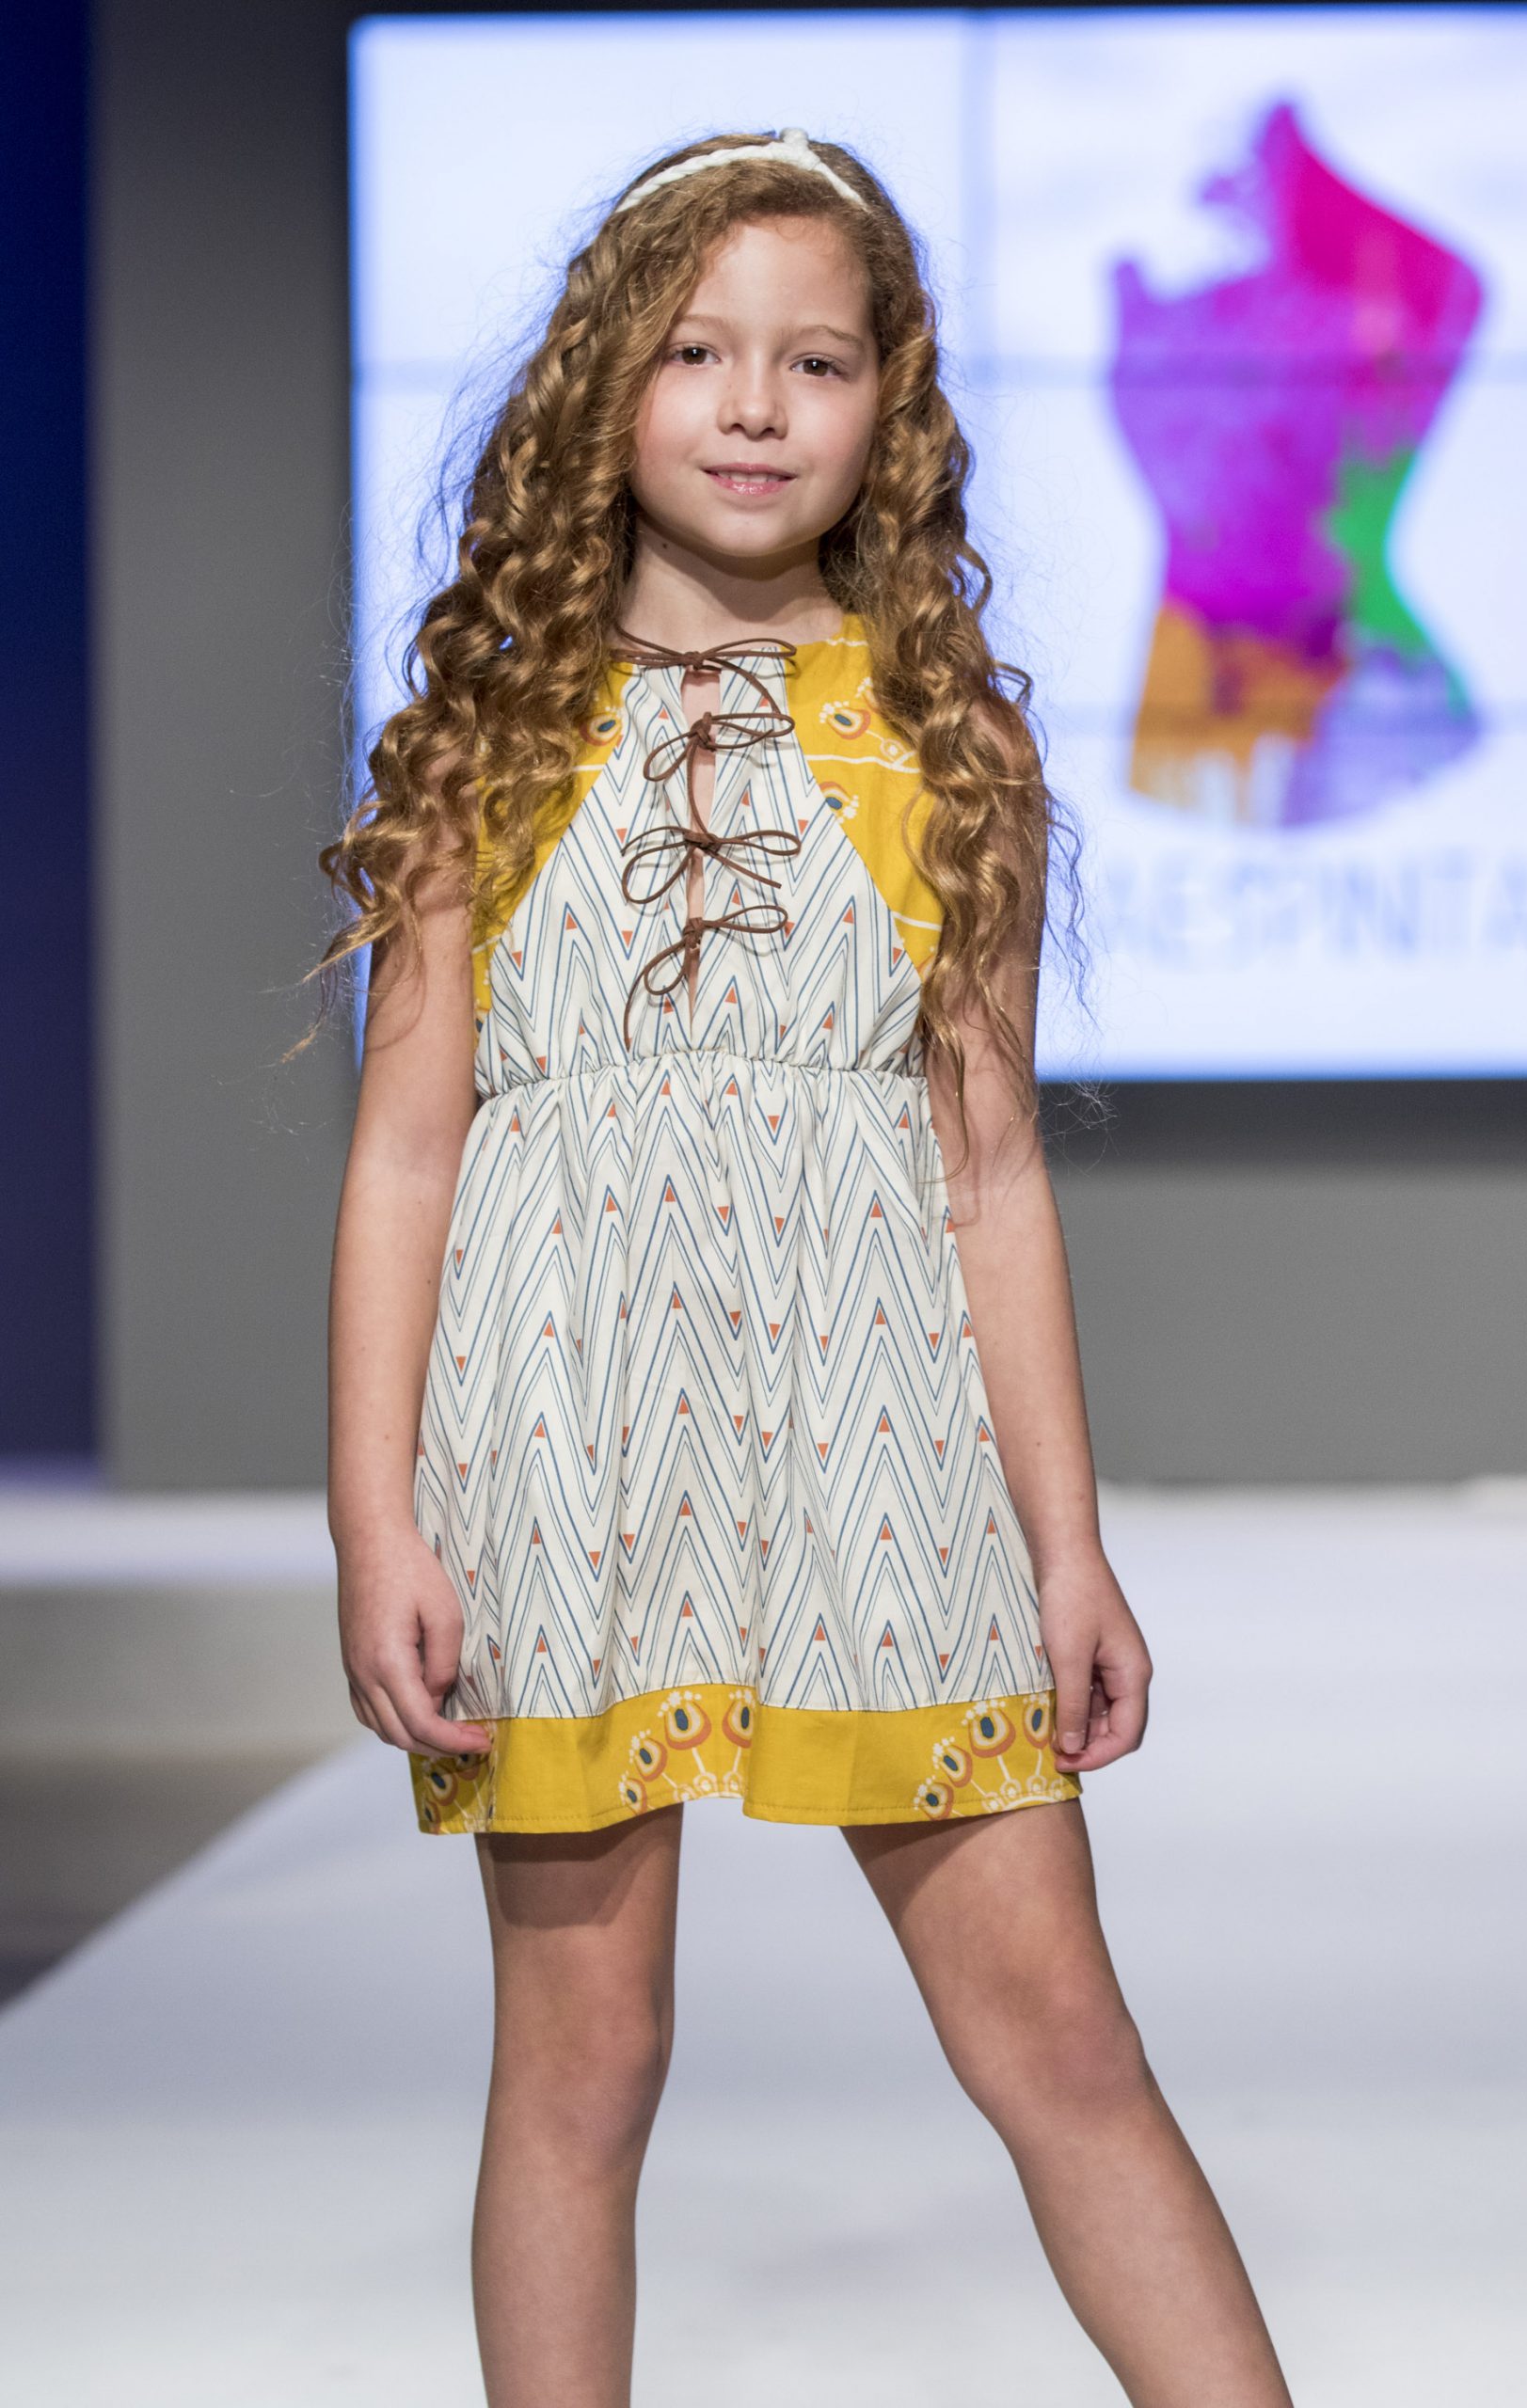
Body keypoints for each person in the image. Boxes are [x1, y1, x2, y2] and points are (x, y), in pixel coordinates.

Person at [314, 127, 1296, 2408]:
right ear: (605, 383)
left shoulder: (944, 740)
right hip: (557, 1433)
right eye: (696, 351)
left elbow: (988, 1171)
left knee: (1056, 2026)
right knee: (584, 2053)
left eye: (817, 360)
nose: (754, 405)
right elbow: (403, 1151)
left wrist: (1065, 1541)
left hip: (883, 1433)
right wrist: (375, 1517)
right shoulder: (484, 740)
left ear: (889, 410)